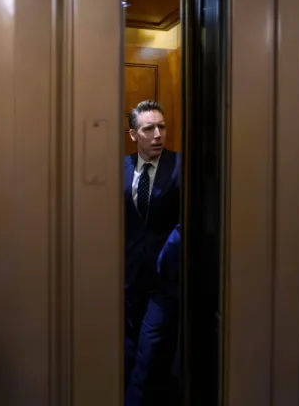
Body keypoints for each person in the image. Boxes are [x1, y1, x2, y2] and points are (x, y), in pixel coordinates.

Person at [124, 100, 181, 406]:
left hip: (164, 279)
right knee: (127, 351)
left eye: (162, 126)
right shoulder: (120, 168)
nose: (158, 134)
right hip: (127, 279)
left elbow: (189, 220)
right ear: (134, 135)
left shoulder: (180, 166)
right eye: (149, 128)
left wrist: (168, 254)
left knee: (150, 351)